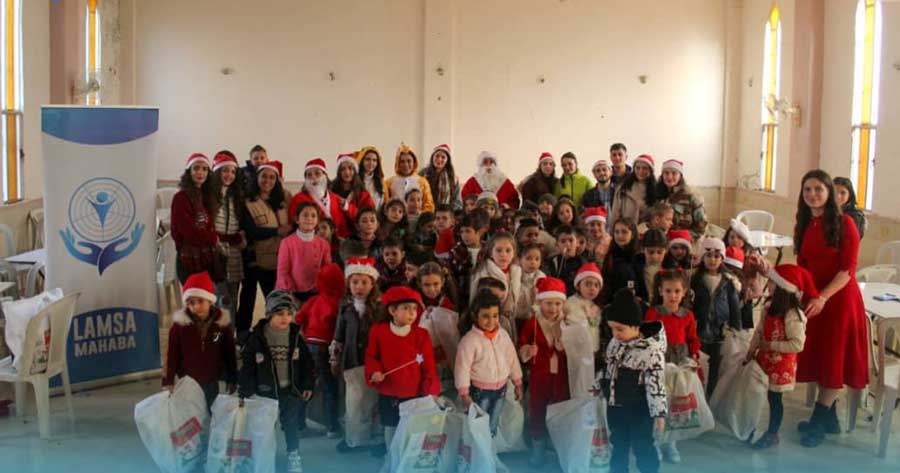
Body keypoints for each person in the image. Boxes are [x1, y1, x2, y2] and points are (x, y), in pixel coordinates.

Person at [793, 169, 868, 448]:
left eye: (818, 189)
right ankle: (831, 419)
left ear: (829, 194)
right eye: (807, 189)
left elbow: (848, 270)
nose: (813, 194)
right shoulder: (806, 224)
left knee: (835, 358)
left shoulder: (845, 223)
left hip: (839, 300)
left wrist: (823, 297)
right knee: (823, 357)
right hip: (816, 299)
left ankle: (818, 420)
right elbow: (803, 266)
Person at [238, 290, 314, 473]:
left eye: (289, 313)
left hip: (290, 390)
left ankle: (293, 454)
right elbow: (247, 366)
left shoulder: (295, 336)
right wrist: (246, 391)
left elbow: (307, 363)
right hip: (265, 392)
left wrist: (307, 384)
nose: (285, 318)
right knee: (264, 427)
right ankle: (265, 455)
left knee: (291, 424)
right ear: (269, 314)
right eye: (280, 313)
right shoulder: (257, 338)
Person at [597, 289, 667, 473]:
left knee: (642, 445)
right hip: (615, 406)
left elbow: (656, 383)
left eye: (620, 329)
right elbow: (609, 368)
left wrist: (659, 413)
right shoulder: (614, 343)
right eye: (612, 328)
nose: (615, 333)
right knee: (618, 444)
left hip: (639, 410)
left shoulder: (650, 351)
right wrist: (599, 385)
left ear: (636, 326)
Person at [365, 286, 441, 453]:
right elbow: (371, 357)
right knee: (391, 426)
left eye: (414, 308)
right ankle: (392, 457)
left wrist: (431, 390)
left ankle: (407, 459)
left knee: (412, 428)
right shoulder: (378, 331)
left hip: (413, 393)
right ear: (392, 310)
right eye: (406, 308)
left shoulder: (421, 334)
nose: (412, 313)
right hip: (389, 392)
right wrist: (375, 371)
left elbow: (428, 365)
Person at [746, 264, 813, 450]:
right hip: (764, 361)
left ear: (784, 287)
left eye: (772, 282)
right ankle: (749, 427)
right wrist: (751, 350)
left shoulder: (793, 315)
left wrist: (770, 346)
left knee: (774, 400)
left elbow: (797, 344)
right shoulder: (768, 306)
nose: (768, 285)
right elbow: (760, 330)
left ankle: (772, 434)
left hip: (781, 366)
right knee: (757, 395)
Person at [642, 268, 699, 464]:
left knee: (676, 404)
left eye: (677, 291)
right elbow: (646, 338)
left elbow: (692, 339)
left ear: (684, 292)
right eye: (668, 291)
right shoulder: (653, 312)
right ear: (660, 291)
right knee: (659, 403)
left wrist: (694, 357)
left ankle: (671, 443)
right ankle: (656, 442)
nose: (673, 296)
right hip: (659, 364)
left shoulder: (687, 315)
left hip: (679, 365)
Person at [331, 257, 384, 454]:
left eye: (364, 282)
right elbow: (338, 335)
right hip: (351, 362)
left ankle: (373, 437)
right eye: (354, 282)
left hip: (373, 363)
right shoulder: (345, 308)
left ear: (372, 284)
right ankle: (354, 439)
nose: (359, 287)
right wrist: (334, 358)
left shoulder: (380, 308)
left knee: (371, 401)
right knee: (353, 402)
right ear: (348, 284)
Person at [163, 272, 237, 410]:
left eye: (201, 301)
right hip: (187, 381)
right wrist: (168, 380)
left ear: (210, 300)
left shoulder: (221, 325)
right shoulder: (179, 326)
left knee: (211, 411)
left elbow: (229, 353)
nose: (196, 306)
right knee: (191, 414)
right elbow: (171, 354)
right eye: (191, 303)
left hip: (211, 380)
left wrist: (232, 378)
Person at [455, 291, 524, 436]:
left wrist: (517, 382)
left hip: (501, 390)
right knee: (478, 422)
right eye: (485, 316)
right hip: (480, 392)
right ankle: (476, 447)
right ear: (475, 316)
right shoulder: (469, 341)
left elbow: (512, 359)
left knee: (494, 420)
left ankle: (490, 443)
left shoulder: (503, 335)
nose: (491, 321)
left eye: (495, 315)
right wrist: (464, 394)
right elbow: (462, 369)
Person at [518, 277, 571, 467]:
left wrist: (564, 347)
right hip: (540, 375)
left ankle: (559, 448)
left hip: (562, 376)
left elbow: (575, 349)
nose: (553, 308)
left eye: (557, 303)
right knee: (537, 410)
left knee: (560, 411)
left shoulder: (567, 323)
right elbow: (522, 344)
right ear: (540, 302)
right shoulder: (532, 323)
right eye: (548, 303)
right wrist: (527, 350)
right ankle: (538, 449)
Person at [238, 160, 291, 334]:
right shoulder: (247, 201)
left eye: (272, 177)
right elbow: (251, 231)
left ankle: (276, 334)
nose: (267, 181)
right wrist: (277, 231)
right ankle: (242, 335)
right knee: (248, 299)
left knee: (275, 299)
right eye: (264, 176)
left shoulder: (282, 201)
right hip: (253, 258)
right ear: (257, 178)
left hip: (276, 259)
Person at [294, 263, 345, 438]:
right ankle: (332, 427)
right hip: (326, 348)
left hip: (309, 346)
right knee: (329, 387)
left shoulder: (313, 301)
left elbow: (298, 319)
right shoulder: (339, 304)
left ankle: (299, 424)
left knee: (306, 385)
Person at [690, 237, 742, 396]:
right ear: (702, 257)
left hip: (720, 330)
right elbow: (689, 304)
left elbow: (734, 305)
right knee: (699, 364)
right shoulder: (695, 279)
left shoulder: (728, 281)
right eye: (708, 255)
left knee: (715, 367)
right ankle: (698, 396)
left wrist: (735, 327)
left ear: (722, 258)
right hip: (699, 329)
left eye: (717, 256)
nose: (712, 260)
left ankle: (710, 397)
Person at [171, 153, 220, 284]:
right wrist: (213, 238)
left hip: (206, 258)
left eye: (204, 169)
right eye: (196, 168)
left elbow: (210, 227)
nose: (200, 172)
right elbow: (187, 231)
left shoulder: (206, 196)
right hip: (189, 259)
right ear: (189, 172)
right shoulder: (180, 197)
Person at [211, 151, 246, 317]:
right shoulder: (209, 196)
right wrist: (230, 238)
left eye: (233, 171)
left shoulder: (236, 196)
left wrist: (240, 238)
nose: (229, 175)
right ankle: (217, 333)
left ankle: (230, 331)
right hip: (216, 254)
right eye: (225, 170)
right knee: (220, 298)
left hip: (234, 254)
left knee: (232, 297)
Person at [470, 232, 522, 341]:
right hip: (488, 321)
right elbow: (474, 300)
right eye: (498, 250)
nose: (503, 254)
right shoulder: (483, 272)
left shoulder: (516, 271)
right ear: (490, 253)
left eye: (508, 250)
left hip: (508, 320)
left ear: (514, 253)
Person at [276, 201, 332, 303]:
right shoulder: (287, 243)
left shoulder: (323, 244)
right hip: (294, 293)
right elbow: (283, 271)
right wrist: (291, 293)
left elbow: (327, 268)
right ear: (297, 219)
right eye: (305, 215)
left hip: (317, 292)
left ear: (317, 221)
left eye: (313, 216)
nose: (309, 218)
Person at [289, 158, 352, 239]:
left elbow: (343, 225)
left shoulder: (335, 198)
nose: (313, 178)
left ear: (325, 176)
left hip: (335, 242)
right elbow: (293, 224)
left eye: (317, 173)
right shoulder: (298, 199)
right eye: (309, 175)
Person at [656, 159, 708, 240]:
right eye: (666, 173)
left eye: (674, 173)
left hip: (685, 242)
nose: (669, 176)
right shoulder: (657, 195)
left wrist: (684, 237)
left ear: (680, 176)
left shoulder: (692, 197)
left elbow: (701, 226)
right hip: (660, 242)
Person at [447, 210, 489, 306]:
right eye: (462, 232)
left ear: (479, 232)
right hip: (462, 295)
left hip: (482, 295)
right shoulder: (456, 251)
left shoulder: (488, 250)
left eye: (468, 231)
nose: (464, 235)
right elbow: (452, 276)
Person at [564, 263, 604, 362]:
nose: (592, 288)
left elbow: (594, 326)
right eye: (588, 284)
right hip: (575, 350)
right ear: (578, 285)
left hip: (591, 351)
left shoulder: (595, 307)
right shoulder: (571, 303)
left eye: (596, 285)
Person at [383, 143, 435, 213]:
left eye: (409, 161)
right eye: (402, 162)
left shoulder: (422, 182)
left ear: (414, 162)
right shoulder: (389, 182)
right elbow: (386, 204)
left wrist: (421, 216)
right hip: (396, 218)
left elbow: (429, 205)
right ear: (397, 163)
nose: (406, 164)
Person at [330, 152, 376, 227]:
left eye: (350, 168)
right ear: (339, 172)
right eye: (343, 169)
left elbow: (369, 215)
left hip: (356, 231)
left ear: (355, 171)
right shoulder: (330, 189)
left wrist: (348, 207)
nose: (347, 172)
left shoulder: (363, 193)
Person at [610, 154, 656, 226]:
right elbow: (615, 214)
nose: (641, 171)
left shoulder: (656, 190)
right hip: (624, 229)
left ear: (650, 170)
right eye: (637, 168)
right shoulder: (623, 188)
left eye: (645, 168)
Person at [544, 225, 588, 296]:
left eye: (571, 240)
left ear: (577, 243)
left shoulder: (582, 263)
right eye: (563, 241)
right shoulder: (552, 261)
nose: (567, 244)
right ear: (557, 244)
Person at [420, 144, 461, 210]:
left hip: (446, 212)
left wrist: (448, 210)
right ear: (432, 157)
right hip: (426, 211)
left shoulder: (453, 178)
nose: (439, 159)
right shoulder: (422, 174)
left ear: (447, 161)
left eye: (443, 157)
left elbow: (457, 202)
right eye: (437, 156)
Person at [356, 146, 386, 210]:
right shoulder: (355, 180)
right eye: (368, 159)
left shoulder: (381, 182)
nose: (371, 163)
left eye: (374, 160)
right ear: (362, 161)